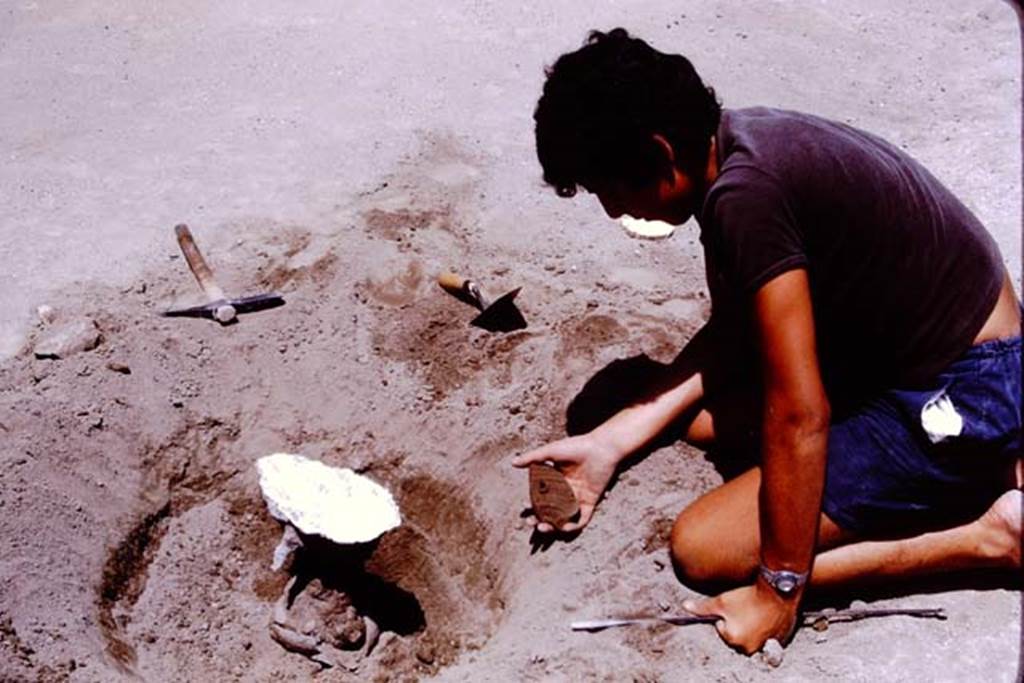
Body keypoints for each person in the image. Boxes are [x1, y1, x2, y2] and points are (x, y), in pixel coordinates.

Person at [513, 28, 1022, 655]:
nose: (612, 210)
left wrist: (779, 589)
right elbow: (738, 333)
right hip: (922, 348)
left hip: (966, 387)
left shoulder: (747, 200)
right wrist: (608, 442)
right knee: (697, 422)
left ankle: (989, 535)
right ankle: (981, 464)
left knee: (704, 547)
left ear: (659, 150)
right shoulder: (736, 145)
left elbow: (799, 414)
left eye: (609, 189)